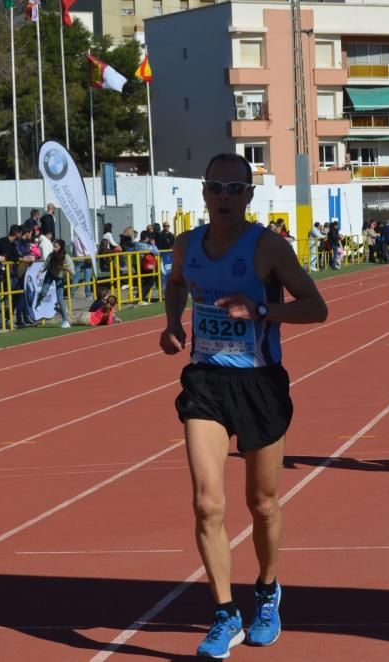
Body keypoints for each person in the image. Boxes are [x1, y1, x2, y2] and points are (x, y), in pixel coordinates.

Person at [159, 153, 328, 659]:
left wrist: (260, 309)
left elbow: (316, 307)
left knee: (263, 503)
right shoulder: (187, 245)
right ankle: (224, 613)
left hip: (259, 385)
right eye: (217, 188)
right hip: (206, 383)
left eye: (236, 188)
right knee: (207, 502)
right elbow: (175, 285)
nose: (225, 197)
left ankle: (269, 591)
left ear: (249, 196)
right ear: (204, 193)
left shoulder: (268, 247)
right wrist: (173, 325)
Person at [37, 239, 75, 328]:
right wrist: (40, 271)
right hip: (50, 273)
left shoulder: (66, 257)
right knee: (43, 291)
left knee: (60, 300)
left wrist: (66, 269)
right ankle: (39, 301)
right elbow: (45, 264)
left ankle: (65, 321)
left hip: (60, 277)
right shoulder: (51, 255)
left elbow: (73, 272)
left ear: (61, 247)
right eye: (53, 246)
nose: (54, 248)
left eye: (56, 247)